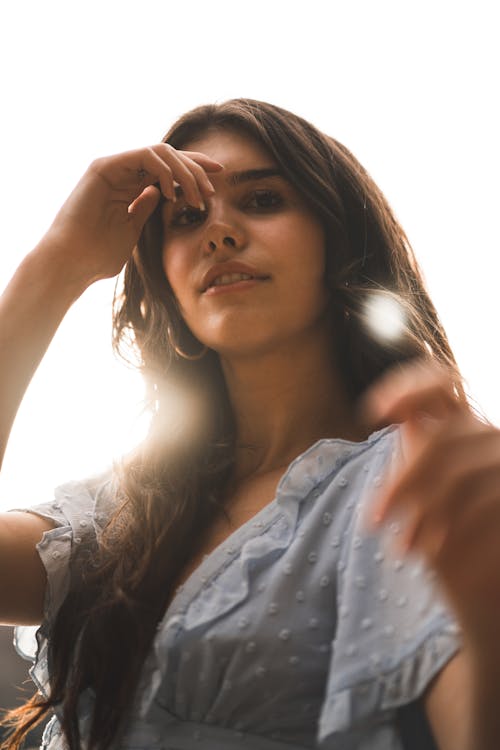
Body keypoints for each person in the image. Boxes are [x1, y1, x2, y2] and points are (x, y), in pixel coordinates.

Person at [0, 98, 499, 750]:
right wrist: (59, 262)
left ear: (338, 237)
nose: (219, 232)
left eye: (262, 200)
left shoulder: (413, 479)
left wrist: (487, 618)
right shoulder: (117, 517)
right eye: (185, 216)